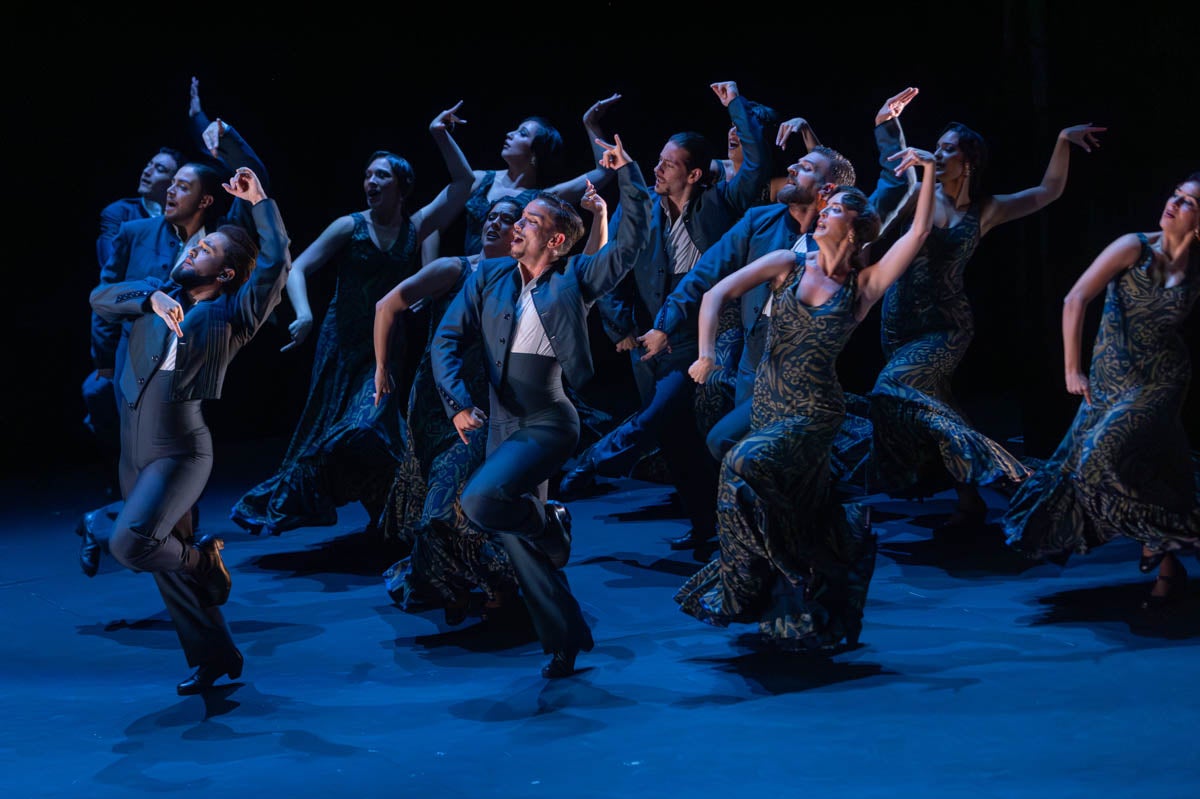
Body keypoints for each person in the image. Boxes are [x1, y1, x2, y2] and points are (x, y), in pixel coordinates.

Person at [676, 147, 938, 650]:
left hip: (814, 411)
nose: (825, 211)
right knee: (754, 477)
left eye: (837, 208)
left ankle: (788, 564)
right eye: (827, 205)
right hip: (768, 402)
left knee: (741, 463)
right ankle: (804, 570)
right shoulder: (785, 263)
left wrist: (925, 174)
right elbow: (714, 294)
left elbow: (919, 233)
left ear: (856, 227)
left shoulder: (862, 287)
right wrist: (706, 355)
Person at [639, 88, 920, 549]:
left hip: (805, 366)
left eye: (804, 168)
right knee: (744, 453)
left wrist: (885, 127)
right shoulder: (760, 222)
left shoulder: (847, 234)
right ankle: (781, 544)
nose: (790, 168)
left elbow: (894, 187)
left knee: (737, 448)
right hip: (756, 355)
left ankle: (809, 532)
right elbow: (707, 275)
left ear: (829, 190)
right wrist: (664, 324)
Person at [431, 133, 651, 678]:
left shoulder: (575, 279)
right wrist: (458, 402)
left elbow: (627, 246)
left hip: (550, 421)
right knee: (515, 539)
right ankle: (564, 639)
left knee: (482, 501)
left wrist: (629, 175)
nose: (515, 226)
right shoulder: (489, 277)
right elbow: (444, 341)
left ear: (554, 240)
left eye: (527, 221)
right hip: (501, 420)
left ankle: (552, 523)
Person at [87, 166, 291, 695]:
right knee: (164, 565)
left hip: (179, 450)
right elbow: (98, 297)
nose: (191, 254)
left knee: (131, 545)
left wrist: (260, 201)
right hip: (133, 447)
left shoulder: (232, 314)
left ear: (225, 273)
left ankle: (205, 559)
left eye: (205, 253)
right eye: (193, 250)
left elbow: (275, 263)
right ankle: (215, 656)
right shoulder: (156, 297)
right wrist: (148, 300)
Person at [230, 102, 475, 537]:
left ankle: (395, 506)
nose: (371, 181)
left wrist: (438, 132)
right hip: (341, 346)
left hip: (385, 347)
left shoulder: (416, 228)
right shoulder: (349, 226)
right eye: (368, 174)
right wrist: (304, 314)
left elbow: (464, 182)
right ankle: (385, 513)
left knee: (369, 425)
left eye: (382, 175)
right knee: (331, 429)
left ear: (402, 186)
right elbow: (299, 267)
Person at [557, 81, 771, 554]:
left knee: (659, 417)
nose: (658, 168)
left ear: (694, 174)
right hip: (655, 337)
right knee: (676, 441)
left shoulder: (722, 204)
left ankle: (585, 466)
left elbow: (755, 165)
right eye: (658, 160)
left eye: (669, 163)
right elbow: (612, 268)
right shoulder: (647, 211)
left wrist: (733, 104)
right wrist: (624, 329)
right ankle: (704, 527)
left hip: (710, 334)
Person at [867, 121, 1107, 530]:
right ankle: (969, 498)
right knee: (941, 409)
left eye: (947, 150)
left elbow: (1048, 192)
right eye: (936, 148)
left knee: (892, 389)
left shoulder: (986, 210)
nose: (938, 155)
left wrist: (1061, 139)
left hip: (946, 327)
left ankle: (1015, 474)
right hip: (897, 322)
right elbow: (881, 208)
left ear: (969, 162)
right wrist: (889, 128)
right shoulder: (919, 195)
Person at [78, 113, 267, 579]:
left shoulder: (218, 238)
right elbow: (106, 297)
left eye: (173, 178)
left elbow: (258, 192)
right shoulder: (131, 229)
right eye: (162, 176)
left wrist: (223, 141)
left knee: (169, 507)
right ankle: (154, 550)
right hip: (136, 375)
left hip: (188, 382)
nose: (161, 184)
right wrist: (105, 364)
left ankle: (195, 591)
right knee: (159, 509)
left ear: (203, 196)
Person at [1004, 172, 1200, 609]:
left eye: (1188, 202)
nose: (1173, 203)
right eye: (1175, 194)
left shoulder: (1196, 265)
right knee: (1144, 469)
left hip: (1164, 381)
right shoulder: (1134, 246)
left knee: (1103, 456)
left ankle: (1156, 541)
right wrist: (1073, 370)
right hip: (1111, 378)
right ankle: (1170, 568)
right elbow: (1075, 299)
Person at [373, 196, 526, 624]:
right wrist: (382, 369)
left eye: (507, 219)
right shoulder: (455, 268)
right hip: (437, 402)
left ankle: (491, 581)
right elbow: (387, 306)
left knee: (457, 500)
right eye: (490, 216)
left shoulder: (524, 278)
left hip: (490, 406)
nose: (494, 223)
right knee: (438, 500)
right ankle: (451, 583)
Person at [85, 144, 185, 495]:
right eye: (149, 164)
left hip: (169, 333)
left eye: (158, 168)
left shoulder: (183, 221)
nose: (147, 170)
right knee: (99, 393)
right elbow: (113, 272)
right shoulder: (122, 215)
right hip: (125, 327)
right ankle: (122, 488)